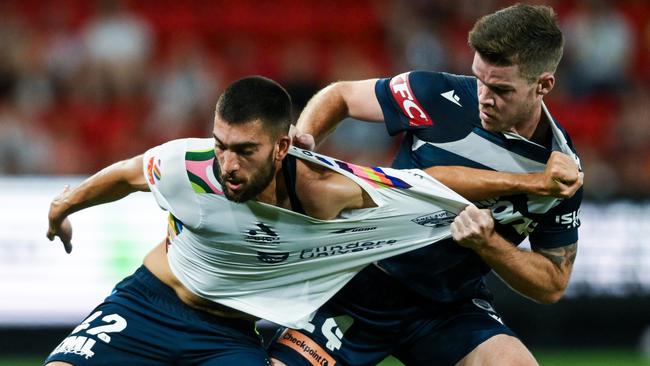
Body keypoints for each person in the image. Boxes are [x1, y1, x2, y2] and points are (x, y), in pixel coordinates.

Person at [43, 75, 579, 365]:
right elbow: (126, 174)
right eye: (221, 146)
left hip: (230, 334)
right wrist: (65, 205)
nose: (228, 164)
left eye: (245, 150)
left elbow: (434, 182)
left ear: (282, 147)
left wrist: (534, 184)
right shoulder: (188, 165)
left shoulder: (327, 192)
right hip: (149, 305)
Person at [269, 4, 583, 366]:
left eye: (500, 89)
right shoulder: (437, 95)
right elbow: (341, 95)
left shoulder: (561, 171)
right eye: (479, 79)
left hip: (447, 308)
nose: (483, 97)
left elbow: (553, 281)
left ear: (543, 84)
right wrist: (307, 135)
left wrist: (490, 245)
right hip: (357, 280)